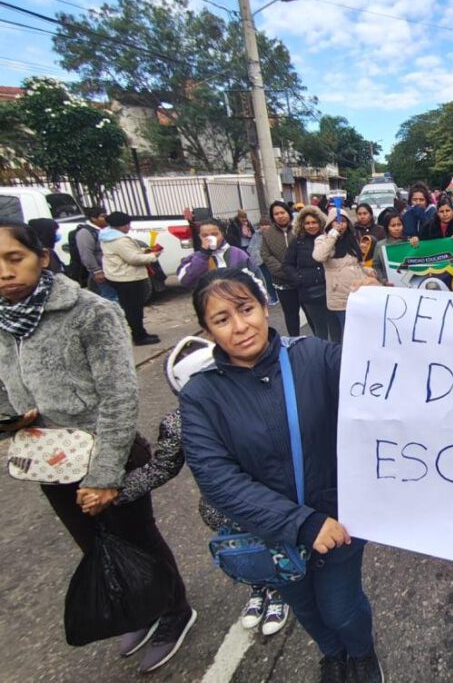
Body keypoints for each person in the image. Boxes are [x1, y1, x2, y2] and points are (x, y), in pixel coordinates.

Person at [0, 220, 194, 673]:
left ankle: (174, 611)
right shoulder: (4, 321)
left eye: (15, 258)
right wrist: (11, 417)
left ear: (42, 258)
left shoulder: (90, 312)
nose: (5, 272)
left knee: (137, 540)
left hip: (109, 457)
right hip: (47, 458)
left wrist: (105, 476)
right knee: (94, 544)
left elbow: (120, 396)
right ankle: (138, 608)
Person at [180, 269, 384, 683]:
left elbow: (380, 369)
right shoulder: (200, 396)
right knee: (306, 607)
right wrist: (301, 524)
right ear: (207, 331)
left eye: (246, 309)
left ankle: (361, 653)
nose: (240, 327)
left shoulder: (314, 357)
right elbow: (216, 478)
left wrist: (386, 309)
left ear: (263, 305)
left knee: (341, 607)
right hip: (272, 534)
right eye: (222, 320)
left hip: (339, 521)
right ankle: (332, 654)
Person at [119, 337, 290, 640]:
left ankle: (280, 590)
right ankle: (259, 586)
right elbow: (163, 465)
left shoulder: (257, 401)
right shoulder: (178, 422)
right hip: (221, 507)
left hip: (267, 499)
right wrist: (116, 491)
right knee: (243, 549)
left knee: (272, 545)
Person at [100, 211, 162, 345]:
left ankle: (138, 333)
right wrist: (153, 256)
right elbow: (133, 258)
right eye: (127, 224)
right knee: (134, 309)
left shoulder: (107, 236)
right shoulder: (120, 240)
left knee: (130, 307)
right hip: (127, 278)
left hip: (117, 275)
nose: (129, 227)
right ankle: (139, 336)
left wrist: (143, 252)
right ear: (120, 225)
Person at [312, 210, 368, 343]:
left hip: (357, 292)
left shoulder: (352, 239)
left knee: (359, 332)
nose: (340, 225)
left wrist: (367, 273)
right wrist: (333, 234)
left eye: (343, 221)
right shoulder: (323, 239)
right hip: (340, 295)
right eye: (336, 221)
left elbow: (356, 264)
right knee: (347, 333)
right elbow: (318, 256)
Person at [282, 206, 334, 341]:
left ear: (321, 222)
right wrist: (299, 278)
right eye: (307, 223)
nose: (311, 226)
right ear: (301, 224)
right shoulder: (297, 242)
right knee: (319, 330)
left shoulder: (329, 239)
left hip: (331, 289)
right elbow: (287, 265)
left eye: (314, 222)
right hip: (310, 293)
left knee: (335, 328)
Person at [261, 201, 308, 337]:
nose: (280, 216)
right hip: (282, 282)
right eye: (276, 214)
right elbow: (266, 255)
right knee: (291, 314)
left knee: (311, 313)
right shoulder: (268, 234)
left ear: (288, 213)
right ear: (272, 216)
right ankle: (294, 341)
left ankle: (316, 340)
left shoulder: (300, 229)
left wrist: (299, 272)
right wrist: (285, 272)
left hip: (303, 279)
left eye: (283, 212)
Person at [177, 219, 257, 289]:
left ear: (222, 234)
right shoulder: (195, 257)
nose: (209, 238)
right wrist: (204, 255)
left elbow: (256, 280)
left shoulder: (237, 254)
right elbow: (185, 281)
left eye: (215, 234)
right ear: (200, 237)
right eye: (204, 235)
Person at [72, 205, 117, 301]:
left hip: (111, 269)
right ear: (93, 218)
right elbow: (86, 254)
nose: (106, 218)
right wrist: (96, 271)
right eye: (103, 216)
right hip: (101, 271)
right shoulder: (85, 233)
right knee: (110, 297)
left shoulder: (105, 230)